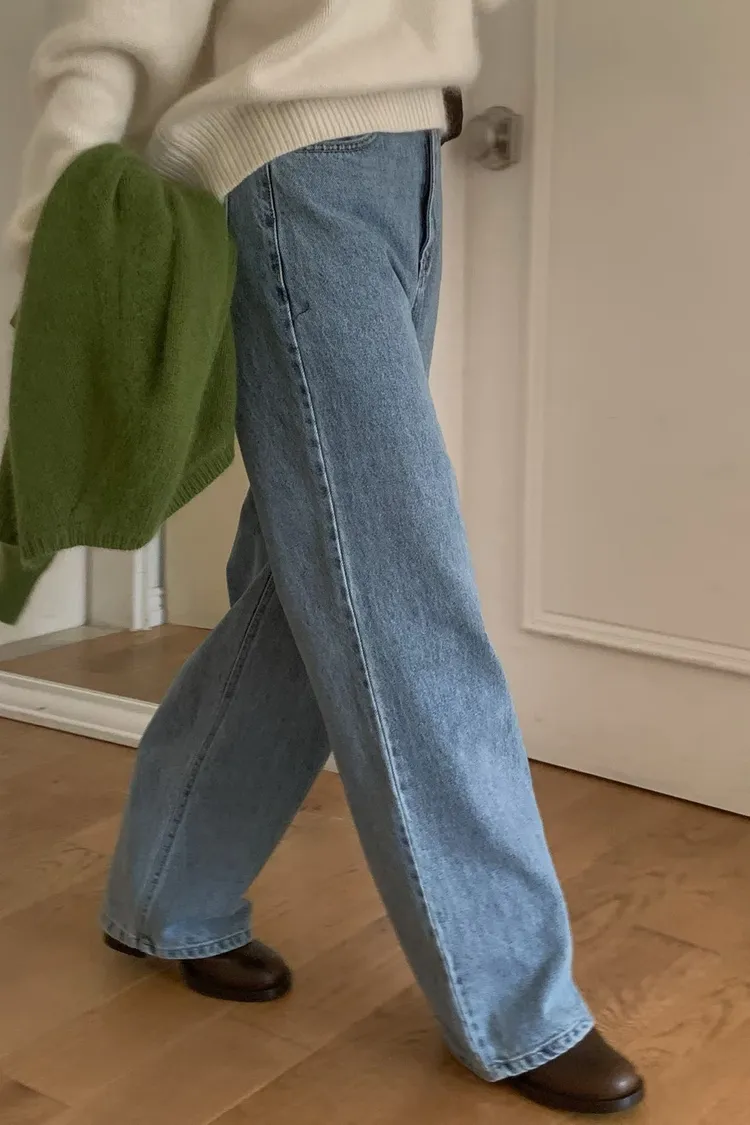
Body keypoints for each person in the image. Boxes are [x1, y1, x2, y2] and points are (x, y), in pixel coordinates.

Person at [8, 1, 644, 1115]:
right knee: (398, 580)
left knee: (313, 572)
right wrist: (49, 241)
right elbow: (114, 23)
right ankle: (515, 997)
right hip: (293, 162)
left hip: (409, 158)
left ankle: (168, 891)